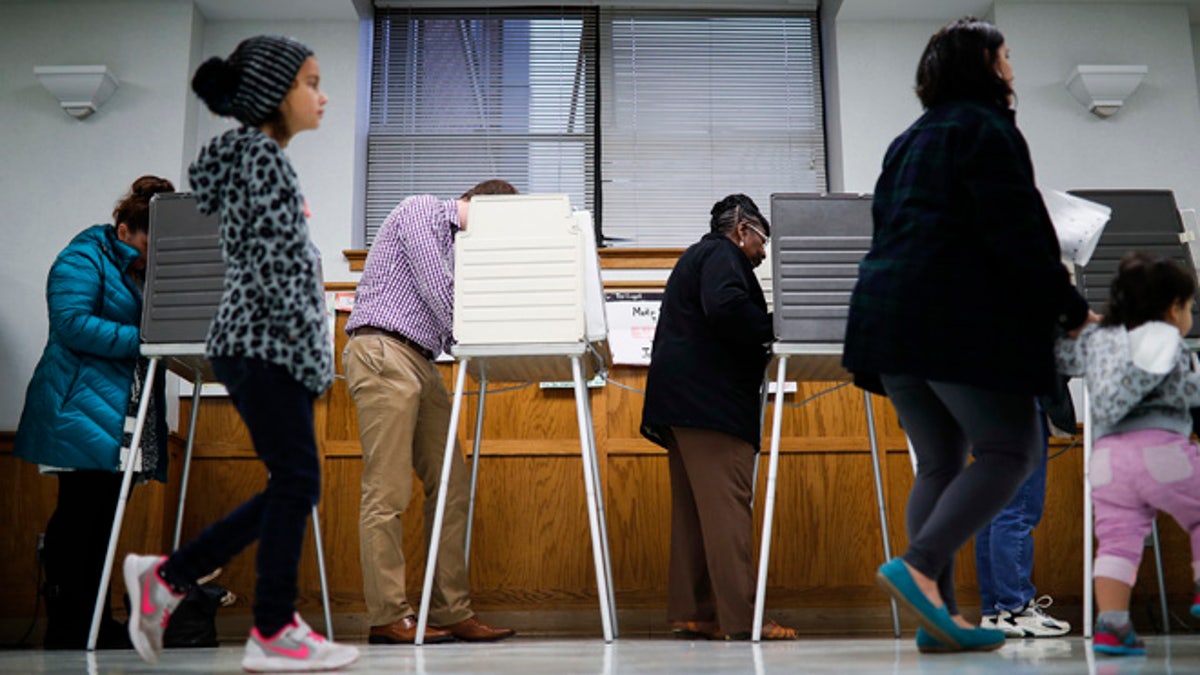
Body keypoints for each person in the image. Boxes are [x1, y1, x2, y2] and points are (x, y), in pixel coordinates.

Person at [841, 17, 1094, 653]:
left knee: (942, 462)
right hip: (950, 319)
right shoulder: (987, 129)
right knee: (1010, 449)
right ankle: (921, 566)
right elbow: (1018, 231)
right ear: (984, 64)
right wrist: (1068, 308)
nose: (1012, 68)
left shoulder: (909, 139)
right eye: (1005, 56)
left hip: (888, 322)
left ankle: (940, 621)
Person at [121, 35, 358, 672]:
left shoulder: (253, 158)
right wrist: (310, 364)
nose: (324, 94)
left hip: (250, 346)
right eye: (311, 82)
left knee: (294, 482)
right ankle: (270, 626)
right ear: (275, 93)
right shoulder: (262, 161)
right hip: (264, 347)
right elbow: (282, 274)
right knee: (299, 481)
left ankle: (169, 579)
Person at [343, 179, 519, 644]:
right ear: (480, 206)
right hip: (382, 349)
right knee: (388, 489)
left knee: (451, 486)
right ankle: (387, 614)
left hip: (422, 360)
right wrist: (486, 336)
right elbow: (438, 288)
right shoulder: (421, 209)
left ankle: (451, 609)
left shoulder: (460, 245)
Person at [14, 175, 174, 649]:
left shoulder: (142, 271)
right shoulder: (83, 256)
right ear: (124, 229)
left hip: (113, 409)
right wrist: (145, 343)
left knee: (102, 517)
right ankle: (70, 624)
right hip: (76, 404)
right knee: (81, 515)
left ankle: (95, 624)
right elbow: (72, 324)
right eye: (148, 241)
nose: (152, 253)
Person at [639, 194, 797, 641]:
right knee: (729, 512)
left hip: (682, 405)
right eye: (762, 241)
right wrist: (778, 324)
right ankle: (744, 620)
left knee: (694, 515)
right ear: (743, 228)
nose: (763, 255)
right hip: (712, 406)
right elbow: (727, 308)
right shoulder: (723, 253)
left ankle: (697, 612)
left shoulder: (699, 256)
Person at [1056, 252, 1200, 656]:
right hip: (1160, 451)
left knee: (1118, 543)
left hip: (1106, 463)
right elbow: (1185, 390)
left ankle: (1112, 625)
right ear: (1174, 308)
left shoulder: (1099, 340)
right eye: (1189, 307)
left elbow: (1063, 357)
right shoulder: (1163, 338)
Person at [974, 401, 1071, 638]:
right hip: (1019, 397)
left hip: (977, 402)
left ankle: (994, 612)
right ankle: (1016, 609)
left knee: (992, 510)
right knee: (1017, 509)